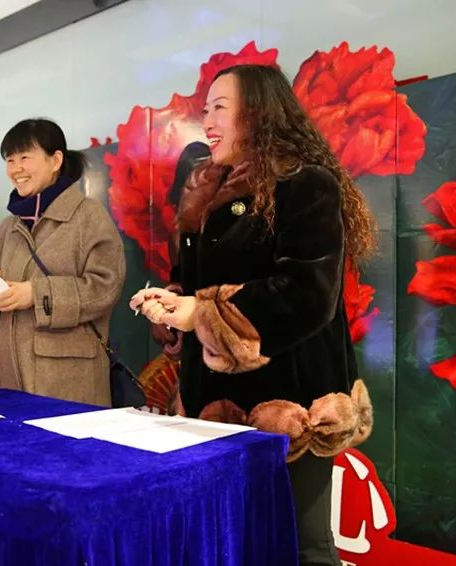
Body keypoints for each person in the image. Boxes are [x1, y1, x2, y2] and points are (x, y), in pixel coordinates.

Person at [130, 64, 376, 565]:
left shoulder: (306, 184)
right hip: (214, 406)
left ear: (258, 113)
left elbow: (307, 294)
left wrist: (201, 314)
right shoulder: (203, 192)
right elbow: (192, 284)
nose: (208, 121)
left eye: (220, 107)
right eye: (206, 110)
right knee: (230, 544)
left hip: (293, 409)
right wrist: (171, 305)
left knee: (302, 546)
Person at [0, 118, 125, 406]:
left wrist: (35, 294)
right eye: (10, 160)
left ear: (55, 160)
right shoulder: (8, 227)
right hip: (9, 377)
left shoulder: (89, 216)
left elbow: (105, 288)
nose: (15, 168)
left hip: (69, 381)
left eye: (25, 157)